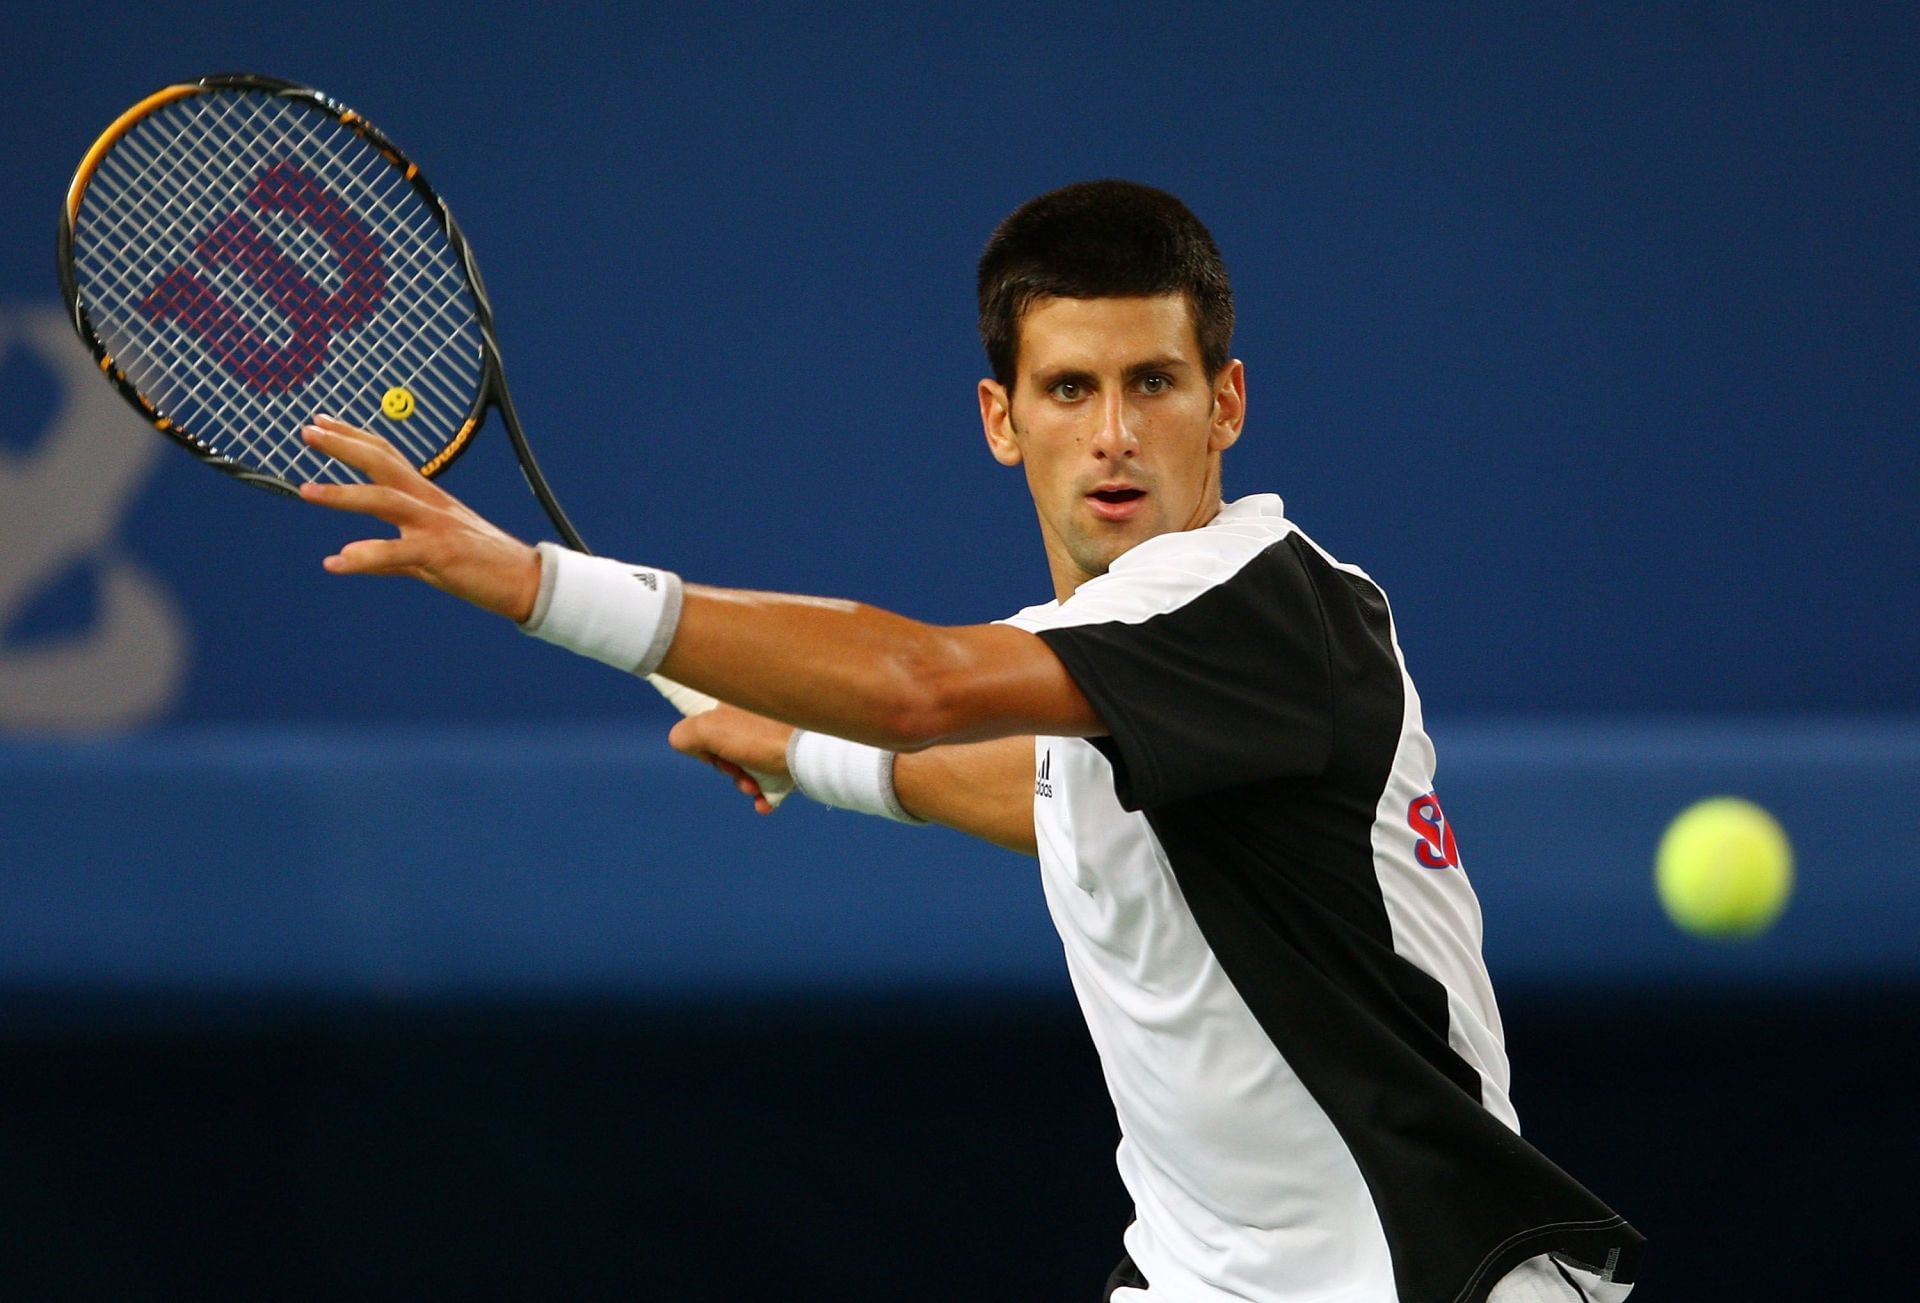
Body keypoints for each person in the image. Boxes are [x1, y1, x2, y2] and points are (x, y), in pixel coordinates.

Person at [297, 180, 1642, 1302]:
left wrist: (540, 589)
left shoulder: (1259, 602)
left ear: (1226, 404)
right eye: (1068, 389)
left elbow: (920, 688)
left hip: (1424, 1280)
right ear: (1003, 419)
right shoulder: (1120, 682)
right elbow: (1036, 786)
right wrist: (803, 753)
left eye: (1153, 384)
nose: (1113, 436)